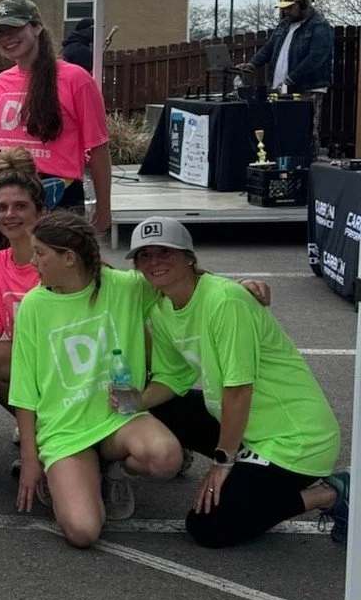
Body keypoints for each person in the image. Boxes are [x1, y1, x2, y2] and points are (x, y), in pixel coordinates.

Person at [125, 216, 349, 546]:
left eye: (165, 252)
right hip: (245, 429)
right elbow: (173, 377)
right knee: (158, 409)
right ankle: (227, 467)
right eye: (144, 255)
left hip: (295, 442)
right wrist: (135, 403)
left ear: (189, 256)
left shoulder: (225, 301)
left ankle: (330, 493)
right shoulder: (161, 308)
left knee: (207, 527)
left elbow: (239, 390)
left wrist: (222, 462)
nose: (154, 261)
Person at [9, 212, 183, 546]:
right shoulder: (33, 305)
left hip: (118, 418)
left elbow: (183, 285)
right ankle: (81, 479)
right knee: (83, 531)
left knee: (166, 459)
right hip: (65, 430)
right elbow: (24, 391)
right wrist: (32, 460)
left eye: (40, 253)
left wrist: (239, 288)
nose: (33, 261)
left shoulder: (126, 286)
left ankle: (115, 469)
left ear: (69, 258)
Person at [0, 0, 111, 231]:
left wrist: (104, 209)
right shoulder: (1, 81)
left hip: (58, 197)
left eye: (15, 28)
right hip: (9, 198)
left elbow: (98, 148)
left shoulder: (76, 78)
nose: (6, 37)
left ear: (36, 27)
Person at [0, 150, 46, 467]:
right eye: (2, 207)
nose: (10, 214)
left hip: (68, 356)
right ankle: (38, 428)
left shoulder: (59, 255)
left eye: (21, 206)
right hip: (27, 354)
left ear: (40, 211)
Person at [238, 0, 334, 160]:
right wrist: (252, 64)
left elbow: (316, 58)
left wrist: (292, 78)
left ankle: (307, 166)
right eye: (284, 8)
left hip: (307, 88)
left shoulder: (319, 26)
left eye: (290, 8)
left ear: (302, 5)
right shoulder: (284, 24)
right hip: (282, 87)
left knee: (305, 130)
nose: (286, 12)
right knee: (281, 129)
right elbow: (268, 49)